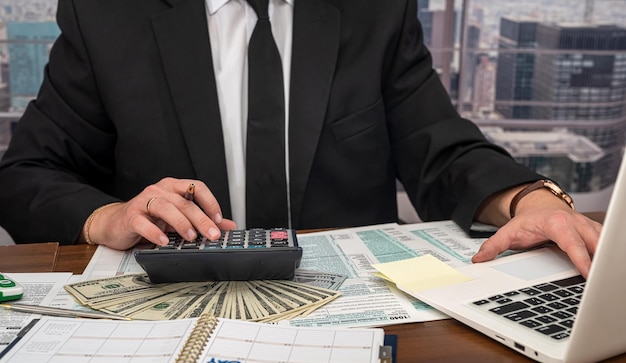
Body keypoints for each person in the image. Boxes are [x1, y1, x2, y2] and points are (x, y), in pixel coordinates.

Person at [0, 0, 601, 277]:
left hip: (347, 309)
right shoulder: (106, 14)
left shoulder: (376, 12)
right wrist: (107, 217)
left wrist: (534, 201)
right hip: (167, 306)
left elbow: (441, 147)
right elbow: (26, 174)